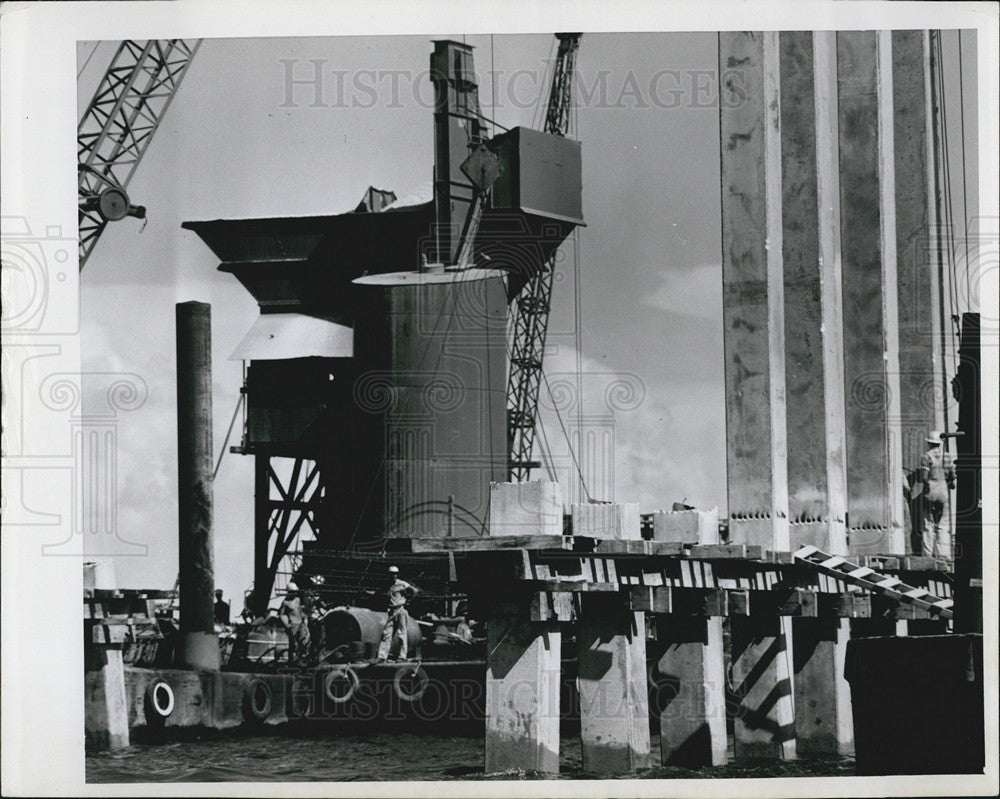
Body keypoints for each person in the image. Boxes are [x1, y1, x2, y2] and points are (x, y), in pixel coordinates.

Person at [917, 431, 956, 558]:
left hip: (931, 492)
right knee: (943, 525)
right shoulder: (948, 456)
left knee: (928, 525)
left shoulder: (926, 456)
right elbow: (952, 478)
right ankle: (944, 556)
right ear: (940, 443)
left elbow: (924, 478)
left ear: (929, 443)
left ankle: (927, 556)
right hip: (943, 492)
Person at [376, 566, 418, 662]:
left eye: (395, 574)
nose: (393, 576)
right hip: (391, 611)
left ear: (397, 574)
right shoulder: (387, 585)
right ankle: (382, 656)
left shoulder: (401, 584)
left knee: (402, 634)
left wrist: (408, 601)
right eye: (391, 574)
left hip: (400, 610)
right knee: (386, 634)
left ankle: (402, 656)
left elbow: (415, 591)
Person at [278, 582, 311, 664]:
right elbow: (281, 614)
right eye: (293, 591)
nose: (295, 593)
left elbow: (301, 611)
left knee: (306, 642)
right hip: (293, 625)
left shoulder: (298, 599)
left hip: (301, 624)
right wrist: (287, 624)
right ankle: (294, 662)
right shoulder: (285, 602)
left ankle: (304, 660)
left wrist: (305, 621)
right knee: (294, 645)